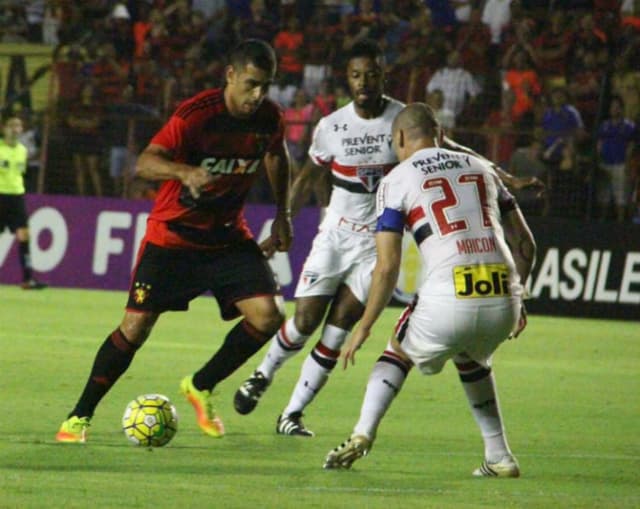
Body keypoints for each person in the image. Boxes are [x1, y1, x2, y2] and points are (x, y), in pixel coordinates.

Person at [233, 39, 540, 437]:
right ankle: (262, 375)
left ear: (384, 74)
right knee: (305, 319)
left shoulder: (402, 120)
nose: (364, 82)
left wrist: (507, 177)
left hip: (376, 243)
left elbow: (455, 150)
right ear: (348, 78)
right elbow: (310, 174)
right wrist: (285, 218)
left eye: (372, 74)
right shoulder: (332, 126)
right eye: (357, 75)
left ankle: (292, 413)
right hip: (335, 235)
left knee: (339, 327)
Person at [55, 39, 293, 443]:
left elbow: (277, 156)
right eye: (251, 84)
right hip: (173, 238)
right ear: (230, 76)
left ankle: (200, 385)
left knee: (268, 317)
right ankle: (79, 416)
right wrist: (185, 173)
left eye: (265, 85)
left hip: (226, 236)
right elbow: (145, 163)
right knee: (135, 327)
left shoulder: (269, 117)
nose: (258, 95)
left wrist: (282, 213)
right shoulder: (196, 116)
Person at [323, 103, 536, 478]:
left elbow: (387, 267)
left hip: (449, 294)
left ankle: (362, 433)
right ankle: (499, 455)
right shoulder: (483, 168)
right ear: (439, 134)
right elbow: (526, 247)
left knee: (398, 349)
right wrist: (517, 300)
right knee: (471, 357)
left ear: (400, 138)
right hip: (503, 293)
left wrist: (365, 325)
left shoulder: (397, 179)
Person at [0, 114, 46, 289]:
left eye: (18, 126)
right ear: (4, 128)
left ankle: (28, 279)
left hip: (16, 196)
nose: (15, 129)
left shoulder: (22, 150)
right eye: (12, 125)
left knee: (24, 235)